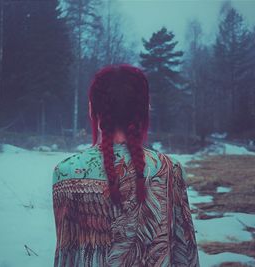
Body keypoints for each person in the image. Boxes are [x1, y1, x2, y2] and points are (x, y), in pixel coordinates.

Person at [52, 64, 199, 266]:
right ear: (145, 110)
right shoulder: (169, 170)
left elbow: (66, 257)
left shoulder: (66, 172)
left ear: (92, 108)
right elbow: (187, 257)